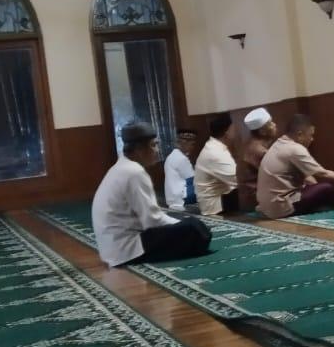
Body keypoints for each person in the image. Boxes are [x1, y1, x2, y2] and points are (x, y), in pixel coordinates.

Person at [92, 121, 212, 267]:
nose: (157, 150)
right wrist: (182, 224)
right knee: (194, 229)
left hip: (112, 249)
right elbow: (152, 221)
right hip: (127, 250)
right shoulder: (134, 172)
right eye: (153, 145)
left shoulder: (121, 167)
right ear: (138, 149)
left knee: (189, 224)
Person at [257, 113, 334, 218]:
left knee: (317, 192)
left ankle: (324, 210)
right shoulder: (294, 149)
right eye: (310, 135)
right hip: (280, 206)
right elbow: (322, 173)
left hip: (267, 207)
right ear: (300, 135)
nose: (312, 139)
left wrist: (315, 188)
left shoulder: (279, 144)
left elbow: (309, 179)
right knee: (327, 188)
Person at [194, 113, 239, 216]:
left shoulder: (214, 146)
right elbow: (238, 180)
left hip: (221, 198)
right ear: (227, 132)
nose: (236, 132)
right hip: (214, 206)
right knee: (249, 192)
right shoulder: (215, 152)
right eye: (234, 129)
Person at [237, 107, 278, 212]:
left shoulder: (248, 145)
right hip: (256, 200)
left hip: (247, 199)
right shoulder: (259, 151)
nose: (274, 125)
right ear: (262, 131)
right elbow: (278, 177)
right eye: (270, 123)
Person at [163, 126, 199, 211]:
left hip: (173, 196)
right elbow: (192, 179)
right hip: (181, 197)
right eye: (192, 144)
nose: (192, 147)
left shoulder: (173, 155)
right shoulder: (181, 158)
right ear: (183, 143)